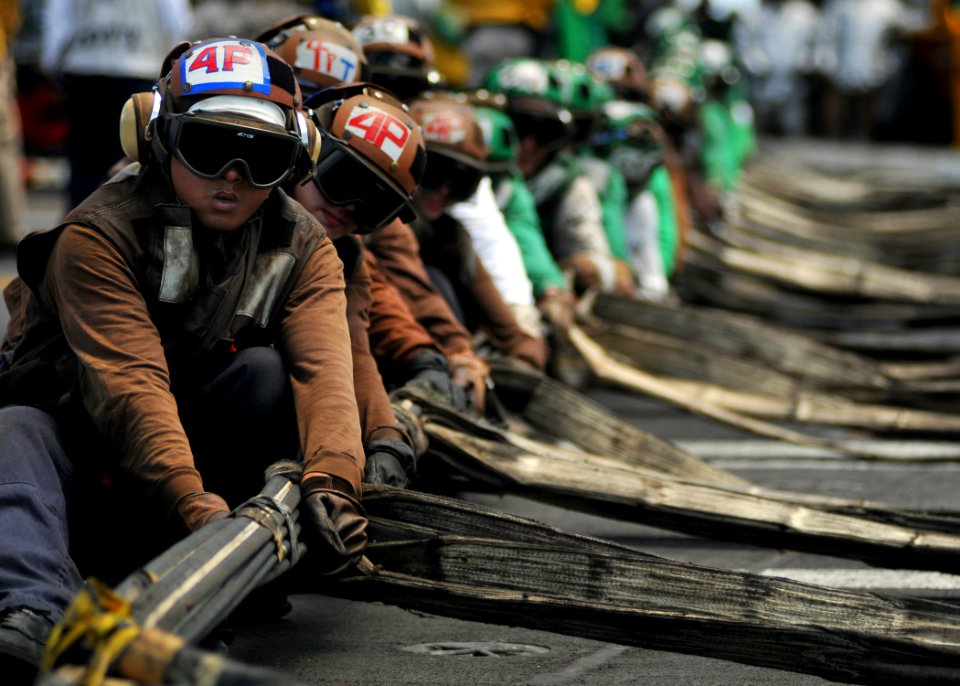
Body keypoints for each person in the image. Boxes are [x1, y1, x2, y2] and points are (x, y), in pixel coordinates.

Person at [0, 38, 366, 680]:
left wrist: (333, 483)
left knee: (264, 376)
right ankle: (31, 608)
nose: (232, 175)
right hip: (81, 461)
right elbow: (129, 387)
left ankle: (215, 582)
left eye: (260, 157)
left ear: (295, 160)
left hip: (193, 466)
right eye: (207, 146)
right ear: (155, 138)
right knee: (13, 430)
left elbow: (326, 374)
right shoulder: (97, 235)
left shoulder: (304, 245)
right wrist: (199, 513)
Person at [40, 0, 193, 209]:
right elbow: (175, 21)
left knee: (85, 162)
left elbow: (59, 20)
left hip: (85, 68)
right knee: (134, 158)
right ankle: (125, 223)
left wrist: (53, 63)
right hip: (139, 66)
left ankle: (78, 225)